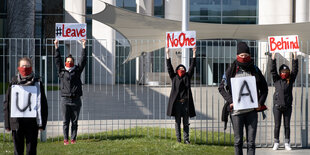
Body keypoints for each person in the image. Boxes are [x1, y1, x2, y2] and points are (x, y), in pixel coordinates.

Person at [219, 42, 268, 155]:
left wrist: (260, 102)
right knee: (238, 141)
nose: (244, 57)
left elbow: (264, 88)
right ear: (237, 55)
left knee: (251, 142)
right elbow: (221, 87)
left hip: (252, 112)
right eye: (241, 55)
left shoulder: (255, 70)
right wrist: (231, 101)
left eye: (246, 55)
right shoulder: (231, 70)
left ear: (250, 55)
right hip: (236, 113)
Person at [4, 57, 48, 155]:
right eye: (23, 66)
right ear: (18, 68)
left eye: (27, 66)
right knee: (17, 150)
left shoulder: (37, 83)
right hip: (16, 122)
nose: (25, 68)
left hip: (32, 123)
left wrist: (42, 124)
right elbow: (7, 103)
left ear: (31, 68)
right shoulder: (13, 83)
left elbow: (43, 104)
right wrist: (7, 124)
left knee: (31, 150)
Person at [54, 39, 87, 145]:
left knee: (74, 121)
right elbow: (57, 60)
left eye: (70, 61)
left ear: (73, 62)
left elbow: (83, 60)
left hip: (76, 100)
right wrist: (56, 47)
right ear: (65, 63)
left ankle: (73, 139)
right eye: (67, 61)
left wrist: (84, 46)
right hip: (65, 99)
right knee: (65, 121)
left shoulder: (77, 70)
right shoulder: (61, 71)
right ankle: (65, 139)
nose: (69, 62)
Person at [166, 47, 196, 144]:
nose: (181, 69)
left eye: (183, 68)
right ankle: (178, 139)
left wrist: (194, 53)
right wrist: (167, 54)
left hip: (186, 104)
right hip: (177, 104)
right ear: (177, 69)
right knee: (177, 122)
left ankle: (186, 139)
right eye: (179, 68)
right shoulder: (174, 77)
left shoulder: (187, 76)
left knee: (186, 123)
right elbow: (169, 67)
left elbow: (192, 66)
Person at [271, 52, 298, 151]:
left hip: (287, 107)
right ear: (279, 72)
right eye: (282, 71)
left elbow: (295, 70)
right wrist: (273, 58)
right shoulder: (276, 79)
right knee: (277, 125)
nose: (284, 73)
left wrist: (295, 57)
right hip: (277, 106)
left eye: (286, 71)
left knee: (287, 125)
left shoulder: (290, 80)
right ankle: (276, 143)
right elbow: (272, 70)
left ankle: (287, 143)